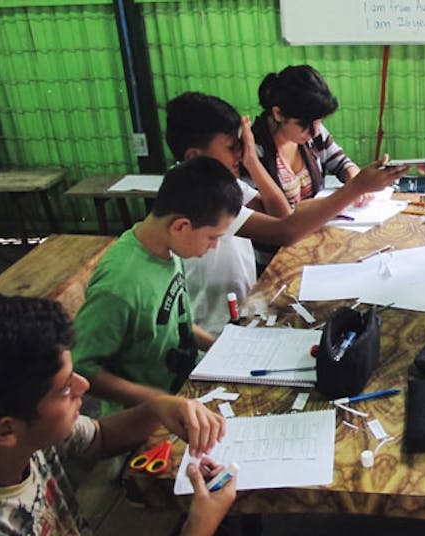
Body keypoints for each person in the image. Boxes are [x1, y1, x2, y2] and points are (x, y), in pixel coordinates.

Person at [165, 92, 407, 334]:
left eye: (241, 145)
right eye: (232, 147)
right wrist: (357, 187)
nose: (240, 153)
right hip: (213, 326)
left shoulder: (221, 181)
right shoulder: (199, 194)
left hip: (243, 307)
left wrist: (252, 162)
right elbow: (284, 231)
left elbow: (281, 214)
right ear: (194, 156)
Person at [0, 295, 235, 536]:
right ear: (6, 430)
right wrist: (198, 528)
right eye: (66, 388)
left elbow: (99, 437)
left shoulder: (31, 436)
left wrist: (157, 408)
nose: (84, 386)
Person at [72, 157, 242, 415]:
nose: (214, 246)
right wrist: (156, 399)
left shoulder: (168, 250)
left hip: (185, 391)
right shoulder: (120, 286)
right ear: (181, 226)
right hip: (141, 418)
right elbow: (82, 367)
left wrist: (217, 345)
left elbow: (175, 321)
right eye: (212, 237)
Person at [251, 64, 381, 207]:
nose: (315, 133)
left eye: (319, 122)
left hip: (318, 222)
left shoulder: (314, 132)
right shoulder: (253, 151)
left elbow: (341, 163)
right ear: (278, 114)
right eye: (304, 124)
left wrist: (354, 179)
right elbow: (258, 210)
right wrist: (326, 206)